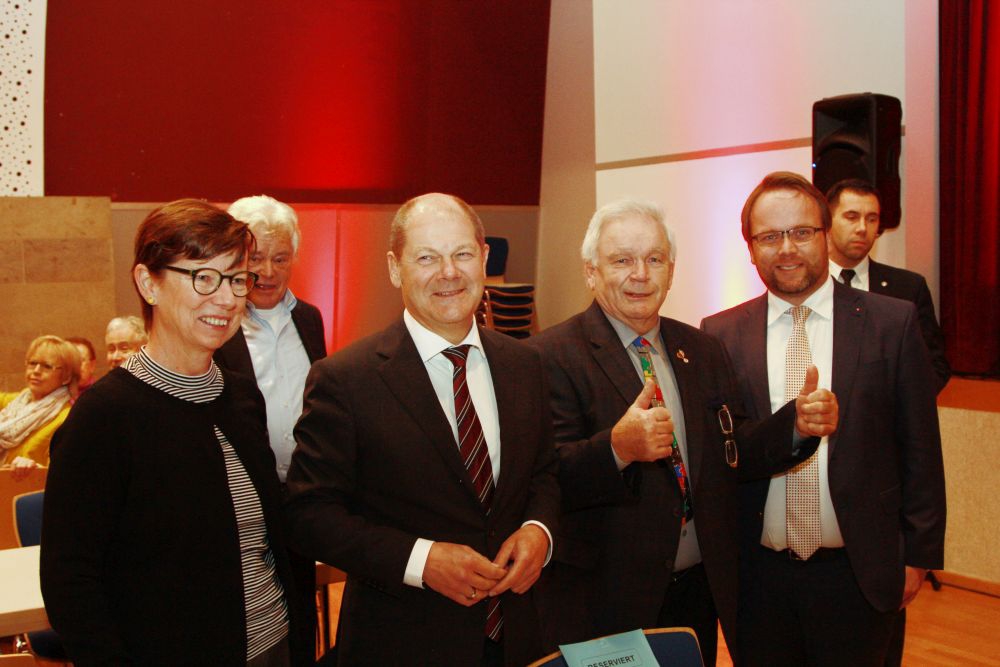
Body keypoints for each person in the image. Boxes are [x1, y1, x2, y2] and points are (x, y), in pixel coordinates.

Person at [525, 199, 834, 665]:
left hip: (695, 594)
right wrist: (617, 449)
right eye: (622, 260)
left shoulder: (702, 349)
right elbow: (547, 479)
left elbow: (731, 454)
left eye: (654, 259)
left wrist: (794, 425)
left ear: (671, 271)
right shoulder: (549, 357)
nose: (640, 274)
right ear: (591, 272)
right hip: (604, 602)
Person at [286, 193, 559, 666]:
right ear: (395, 268)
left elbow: (545, 473)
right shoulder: (346, 380)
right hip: (402, 643)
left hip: (518, 638)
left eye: (462, 254)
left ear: (484, 258)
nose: (449, 272)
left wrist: (540, 531)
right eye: (427, 258)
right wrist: (421, 561)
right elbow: (309, 515)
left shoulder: (526, 364)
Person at [41, 199, 307, 666]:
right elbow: (71, 581)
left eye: (236, 279)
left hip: (274, 643)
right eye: (204, 277)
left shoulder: (241, 397)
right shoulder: (104, 417)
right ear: (149, 284)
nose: (226, 299)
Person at [701, 172, 946, 667]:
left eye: (801, 232)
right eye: (769, 236)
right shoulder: (720, 335)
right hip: (759, 582)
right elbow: (726, 455)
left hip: (859, 574)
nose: (787, 248)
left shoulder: (891, 323)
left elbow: (920, 447)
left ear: (825, 235)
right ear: (751, 249)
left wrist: (918, 557)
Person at [216, 194, 327, 652]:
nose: (267, 271)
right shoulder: (216, 323)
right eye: (255, 258)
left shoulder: (309, 318)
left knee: (298, 616)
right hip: (238, 501)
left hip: (300, 496)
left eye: (280, 258)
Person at [825, 179, 951, 393]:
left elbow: (935, 365)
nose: (862, 228)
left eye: (871, 219)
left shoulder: (908, 288)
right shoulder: (805, 285)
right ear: (827, 222)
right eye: (851, 217)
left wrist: (898, 404)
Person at [1, 335, 79, 478]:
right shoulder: (15, 403)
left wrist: (36, 468)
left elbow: (64, 475)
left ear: (66, 377)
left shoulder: (66, 420)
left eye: (47, 366)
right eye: (32, 363)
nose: (36, 371)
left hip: (30, 490)